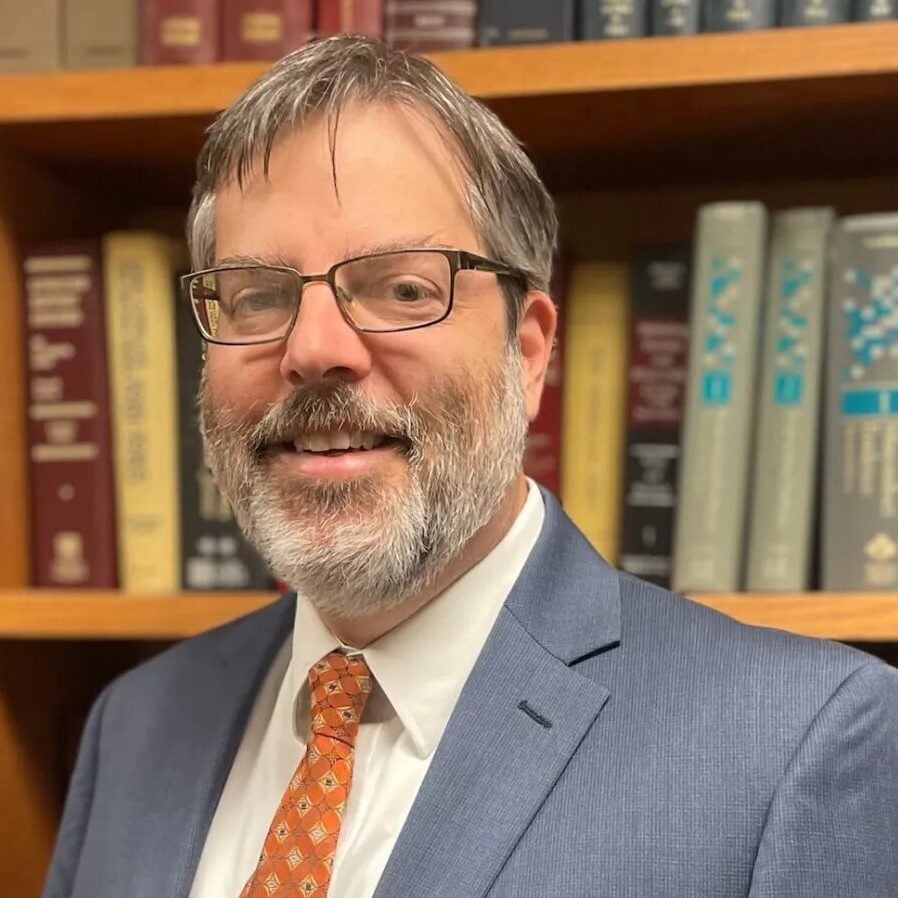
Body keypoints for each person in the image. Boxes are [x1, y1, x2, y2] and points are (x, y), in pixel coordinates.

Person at [44, 36, 897, 898]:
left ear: (526, 353)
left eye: (402, 288)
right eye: (258, 295)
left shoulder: (800, 744)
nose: (314, 349)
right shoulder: (134, 724)